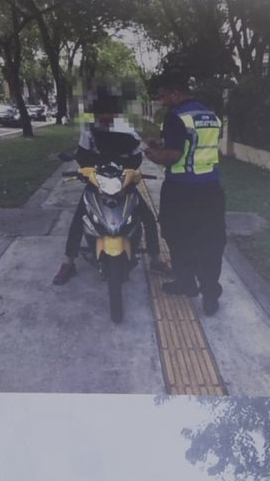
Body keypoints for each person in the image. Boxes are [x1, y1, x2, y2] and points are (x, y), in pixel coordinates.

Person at [52, 89, 163, 286]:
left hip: (123, 182)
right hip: (98, 182)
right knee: (79, 219)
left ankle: (156, 260)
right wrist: (86, 172)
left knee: (147, 217)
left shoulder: (125, 129)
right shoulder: (88, 130)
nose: (105, 117)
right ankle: (68, 262)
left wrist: (130, 173)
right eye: (101, 113)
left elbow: (137, 155)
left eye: (109, 112)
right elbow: (82, 155)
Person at [142, 63, 227, 313]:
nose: (161, 99)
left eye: (163, 94)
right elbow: (197, 144)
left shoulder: (175, 116)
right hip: (211, 189)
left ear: (176, 92)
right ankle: (210, 292)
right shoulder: (209, 114)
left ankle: (186, 282)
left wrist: (154, 155)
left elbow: (174, 155)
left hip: (181, 191)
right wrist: (165, 142)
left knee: (177, 235)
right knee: (210, 240)